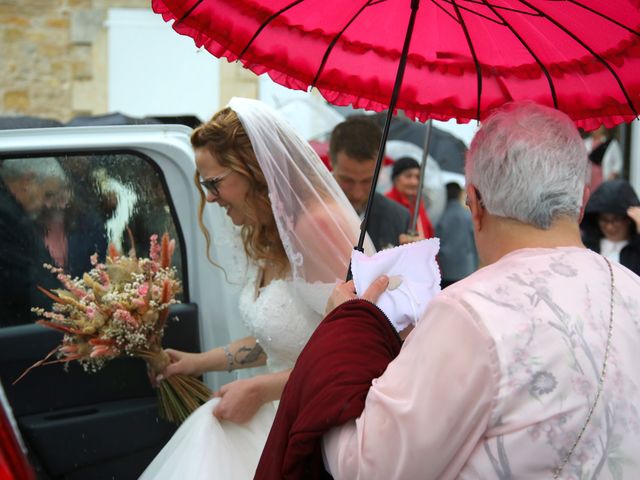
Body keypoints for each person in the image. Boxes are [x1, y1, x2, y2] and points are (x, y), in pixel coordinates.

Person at [257, 102, 640, 479]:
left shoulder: (470, 312)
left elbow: (366, 466)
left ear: (474, 203)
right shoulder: (632, 289)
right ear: (583, 201)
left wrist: (345, 331)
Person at [139, 98, 372, 479]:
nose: (209, 198)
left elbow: (357, 355)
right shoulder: (268, 233)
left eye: (214, 183)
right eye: (204, 185)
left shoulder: (316, 227)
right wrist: (197, 362)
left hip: (311, 430)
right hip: (275, 412)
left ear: (254, 170)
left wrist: (265, 390)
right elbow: (284, 340)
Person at [329, 116, 411, 250]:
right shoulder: (304, 209)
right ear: (331, 161)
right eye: (347, 180)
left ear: (382, 164)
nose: (357, 193)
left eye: (368, 181)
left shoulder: (398, 218)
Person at [0, 157, 65, 326]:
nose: (49, 205)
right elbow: (25, 281)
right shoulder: (6, 216)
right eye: (48, 194)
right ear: (27, 181)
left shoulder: (16, 212)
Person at [580, 179, 640, 276]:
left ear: (629, 219)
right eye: (604, 220)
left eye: (616, 220)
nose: (610, 227)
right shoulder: (586, 246)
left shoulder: (637, 250)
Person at [435, 177, 478, 287]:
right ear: (459, 194)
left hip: (444, 269)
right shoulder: (468, 215)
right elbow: (475, 242)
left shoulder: (438, 216)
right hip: (466, 268)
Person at [385, 156, 434, 242]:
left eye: (418, 177)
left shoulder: (418, 205)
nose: (414, 182)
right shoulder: (386, 204)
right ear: (396, 179)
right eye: (408, 176)